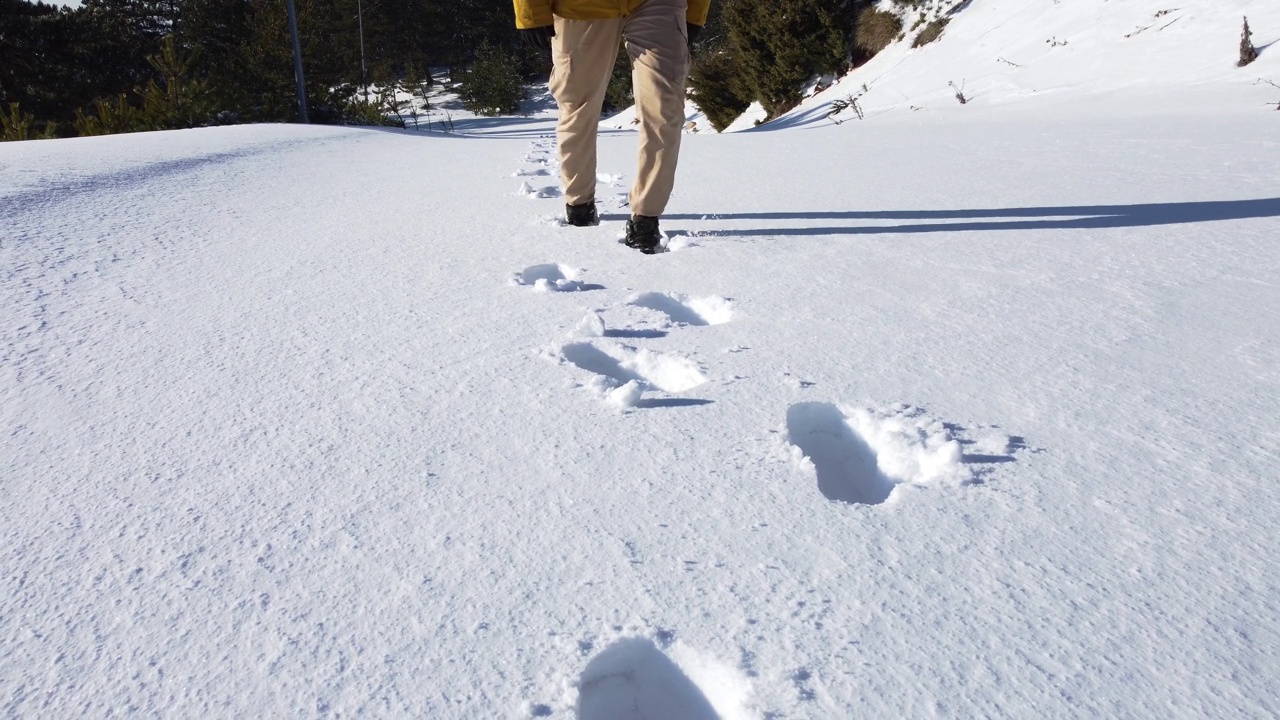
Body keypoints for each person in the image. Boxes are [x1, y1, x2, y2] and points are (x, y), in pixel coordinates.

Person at [514, 0, 711, 254]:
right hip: (581, 7)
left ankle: (646, 219)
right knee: (578, 107)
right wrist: (530, 11)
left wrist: (695, 12)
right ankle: (579, 206)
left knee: (665, 109)